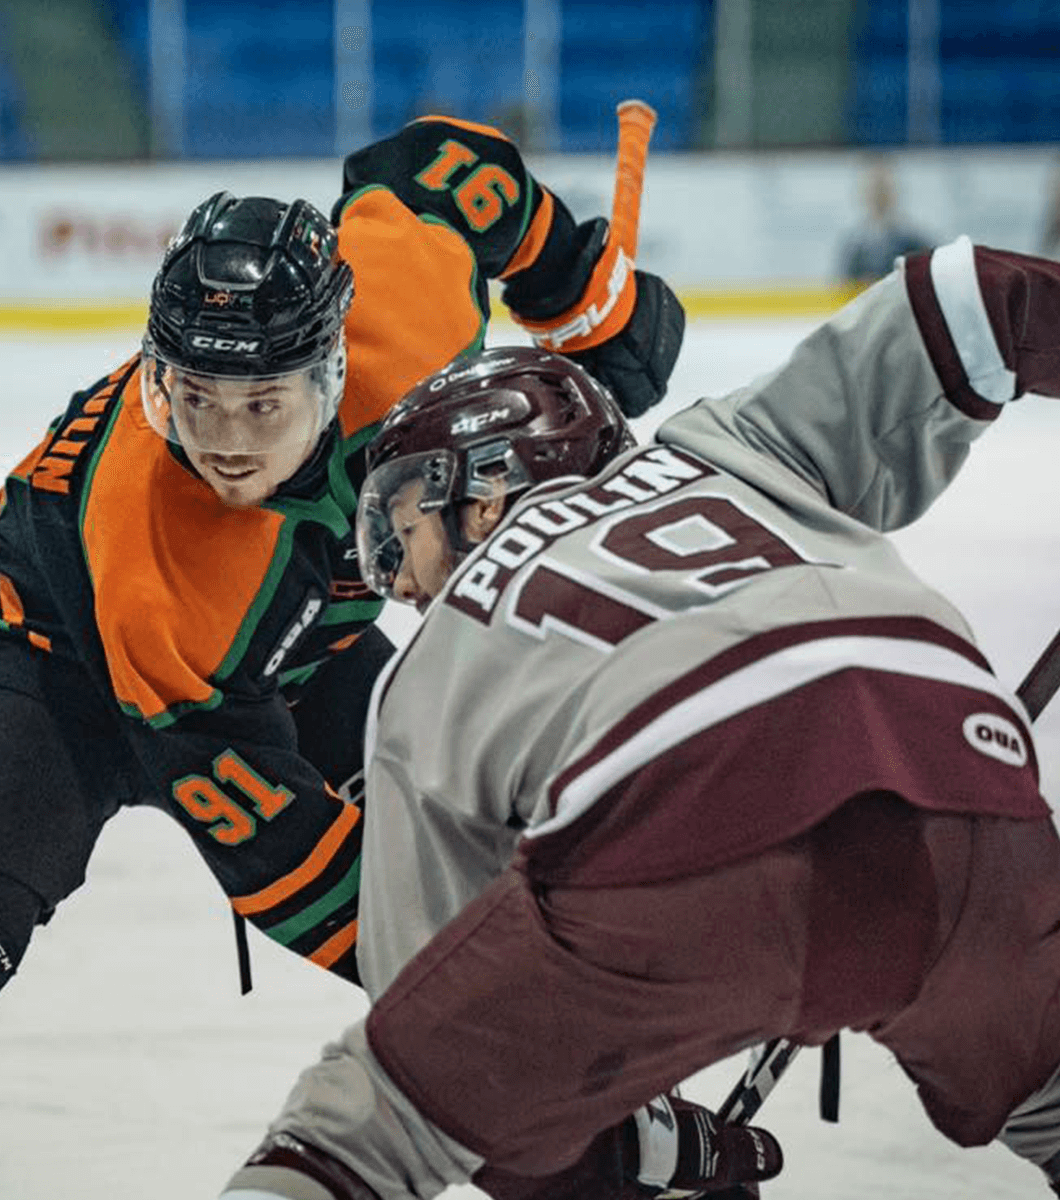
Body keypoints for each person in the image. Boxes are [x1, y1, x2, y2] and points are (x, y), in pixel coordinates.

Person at [0, 113, 685, 1198]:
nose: (225, 439)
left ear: (333, 369)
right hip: (46, 659)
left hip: (288, 648)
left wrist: (577, 292)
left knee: (477, 878)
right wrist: (482, 996)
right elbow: (278, 858)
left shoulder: (407, 314)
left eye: (261, 402)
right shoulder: (169, 563)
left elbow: (439, 169)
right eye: (194, 397)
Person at [218, 237, 1060, 1200]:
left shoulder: (429, 673)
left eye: (400, 527)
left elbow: (472, 1066)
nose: (397, 582)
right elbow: (976, 302)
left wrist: (638, 1164)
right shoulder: (731, 448)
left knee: (366, 1126)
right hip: (971, 782)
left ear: (485, 493)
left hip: (683, 820)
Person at [835, 157, 934, 287]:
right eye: (873, 188)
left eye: (883, 188)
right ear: (862, 193)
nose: (878, 195)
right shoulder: (854, 249)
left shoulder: (915, 244)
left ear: (895, 191)